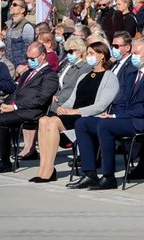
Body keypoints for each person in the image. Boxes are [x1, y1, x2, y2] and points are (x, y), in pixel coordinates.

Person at [70, 37, 144, 190]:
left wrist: (115, 116)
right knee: (83, 123)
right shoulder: (132, 75)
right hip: (127, 118)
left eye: (136, 53)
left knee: (105, 125)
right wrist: (112, 114)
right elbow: (122, 101)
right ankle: (89, 173)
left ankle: (109, 176)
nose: (133, 56)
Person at [31, 42, 119, 183]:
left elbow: (101, 106)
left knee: (53, 122)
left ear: (101, 55)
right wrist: (63, 108)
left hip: (87, 116)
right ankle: (43, 167)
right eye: (87, 53)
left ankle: (48, 170)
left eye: (91, 54)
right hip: (72, 113)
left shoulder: (110, 77)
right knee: (43, 120)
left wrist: (74, 111)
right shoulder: (84, 76)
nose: (88, 57)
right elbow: (73, 99)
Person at [0, 42, 59, 173]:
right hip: (14, 108)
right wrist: (7, 104)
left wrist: (14, 107)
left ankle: (5, 162)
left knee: (0, 120)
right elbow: (16, 91)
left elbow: (40, 100)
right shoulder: (28, 73)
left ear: (43, 56)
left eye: (32, 59)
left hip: (30, 112)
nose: (29, 61)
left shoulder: (50, 76)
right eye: (27, 58)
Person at [5, 0, 35, 66]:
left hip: (20, 65)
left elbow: (28, 48)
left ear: (22, 10)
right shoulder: (9, 25)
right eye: (11, 4)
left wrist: (24, 65)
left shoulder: (26, 26)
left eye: (15, 5)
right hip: (9, 64)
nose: (11, 6)